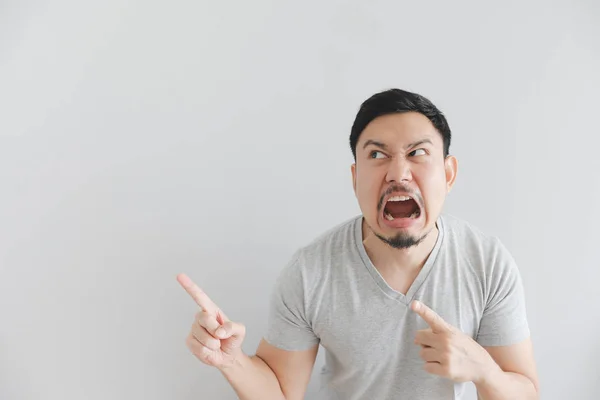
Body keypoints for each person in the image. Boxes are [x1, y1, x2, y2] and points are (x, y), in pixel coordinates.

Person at [177, 88, 539, 399]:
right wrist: (232, 361)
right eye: (377, 155)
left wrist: (483, 371)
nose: (398, 173)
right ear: (355, 178)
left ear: (447, 175)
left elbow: (527, 391)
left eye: (417, 153)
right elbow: (282, 392)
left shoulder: (487, 262)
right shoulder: (310, 271)